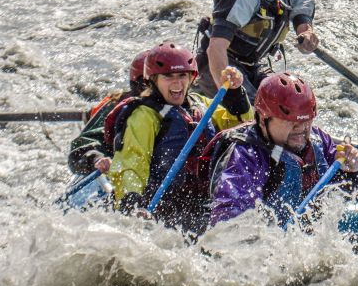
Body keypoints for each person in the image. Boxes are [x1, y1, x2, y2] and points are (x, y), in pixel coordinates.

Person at [107, 42, 253, 234]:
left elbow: (242, 125)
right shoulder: (144, 115)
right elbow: (132, 163)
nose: (177, 83)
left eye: (182, 75)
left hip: (201, 204)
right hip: (161, 206)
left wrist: (236, 94)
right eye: (168, 76)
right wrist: (132, 202)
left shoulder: (201, 105)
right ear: (153, 79)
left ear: (192, 77)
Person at [208, 72, 358, 227]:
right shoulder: (246, 155)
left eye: (306, 121)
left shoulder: (318, 140)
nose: (301, 128)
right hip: (273, 237)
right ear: (263, 120)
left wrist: (357, 172)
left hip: (306, 229)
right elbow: (228, 218)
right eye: (291, 122)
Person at [67, 50, 149, 176]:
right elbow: (86, 143)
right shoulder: (119, 107)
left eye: (179, 77)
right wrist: (96, 158)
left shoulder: (181, 106)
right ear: (140, 84)